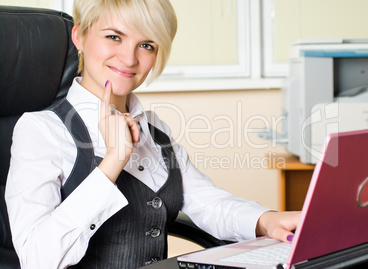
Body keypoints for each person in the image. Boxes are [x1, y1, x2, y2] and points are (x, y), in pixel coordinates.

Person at [5, 0, 300, 268]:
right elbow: (36, 258)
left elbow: (206, 202)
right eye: (114, 37)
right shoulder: (41, 130)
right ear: (79, 37)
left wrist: (265, 220)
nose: (130, 58)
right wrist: (113, 161)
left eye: (146, 45)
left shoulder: (154, 128)